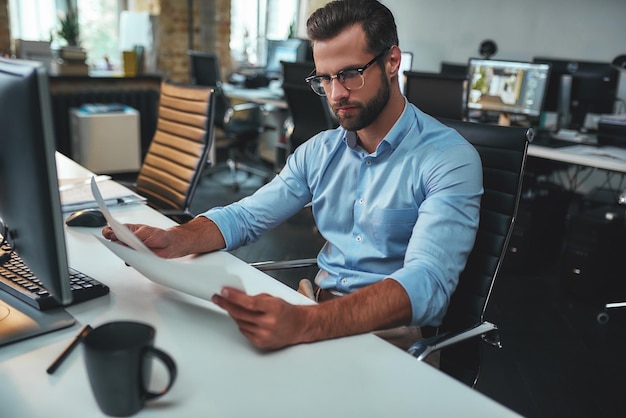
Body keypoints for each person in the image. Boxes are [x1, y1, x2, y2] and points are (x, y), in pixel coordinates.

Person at [102, 0, 483, 352]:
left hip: (388, 337)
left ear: (392, 61)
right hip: (313, 310)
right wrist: (175, 239)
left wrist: (305, 323)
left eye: (350, 74)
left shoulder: (449, 159)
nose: (336, 95)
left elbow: (428, 284)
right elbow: (247, 217)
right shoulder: (320, 151)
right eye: (325, 79)